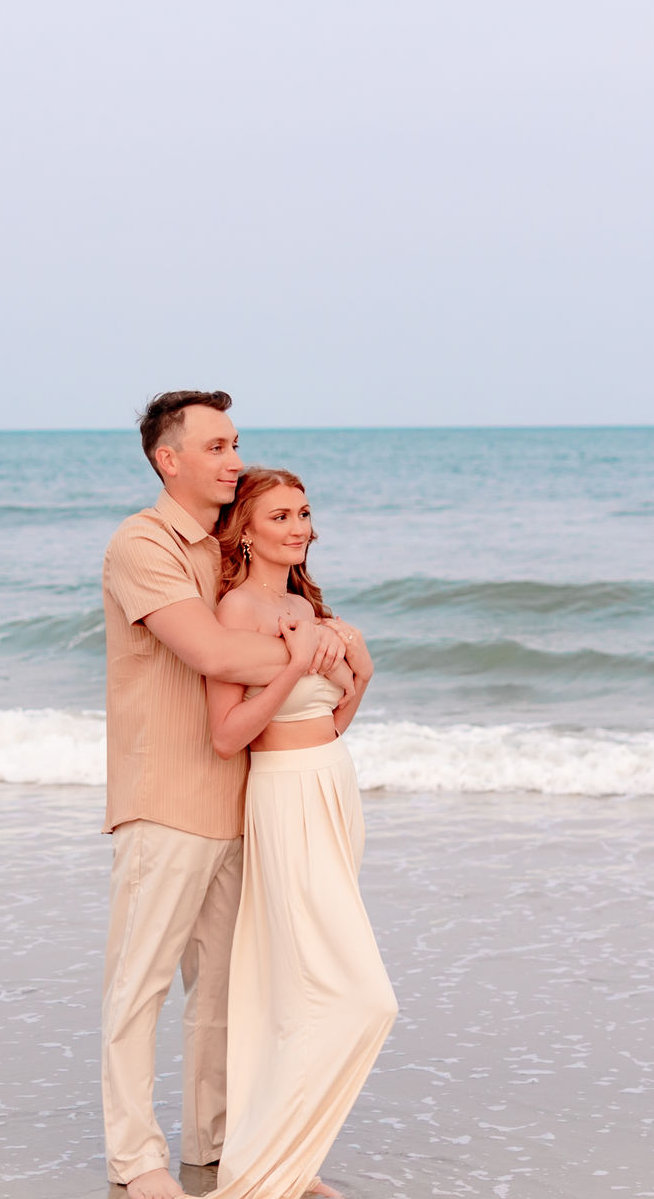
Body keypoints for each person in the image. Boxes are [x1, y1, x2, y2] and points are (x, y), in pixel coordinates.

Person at [101, 394, 350, 1199]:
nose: (234, 459)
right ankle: (135, 1159)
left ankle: (221, 1150)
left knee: (226, 993)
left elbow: (270, 634)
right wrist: (317, 648)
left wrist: (320, 643)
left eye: (235, 443)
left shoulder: (226, 549)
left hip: (243, 799)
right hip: (166, 796)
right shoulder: (144, 543)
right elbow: (212, 652)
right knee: (140, 984)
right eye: (215, 446)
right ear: (168, 459)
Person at [198, 468, 398, 1199]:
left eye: (305, 513)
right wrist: (291, 665)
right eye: (280, 515)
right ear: (245, 529)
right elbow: (228, 736)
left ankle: (290, 1160)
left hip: (333, 787)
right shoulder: (236, 611)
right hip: (285, 796)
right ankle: (264, 1166)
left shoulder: (303, 606)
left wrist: (361, 675)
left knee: (305, 985)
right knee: (362, 996)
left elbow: (332, 721)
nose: (299, 527)